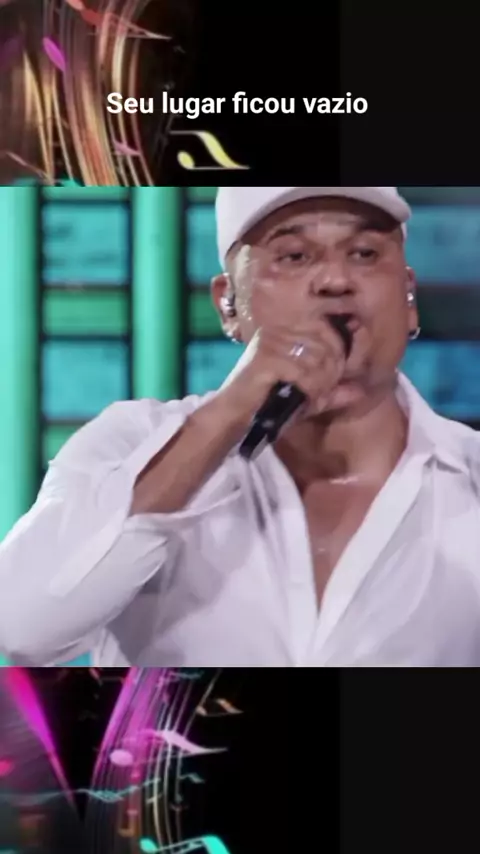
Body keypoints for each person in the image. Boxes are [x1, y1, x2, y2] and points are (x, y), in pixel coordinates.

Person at [1, 186, 480, 668]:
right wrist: (229, 411)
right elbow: (20, 627)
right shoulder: (129, 444)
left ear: (409, 296)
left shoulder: (470, 475)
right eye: (294, 256)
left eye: (364, 253)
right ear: (228, 304)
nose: (336, 280)